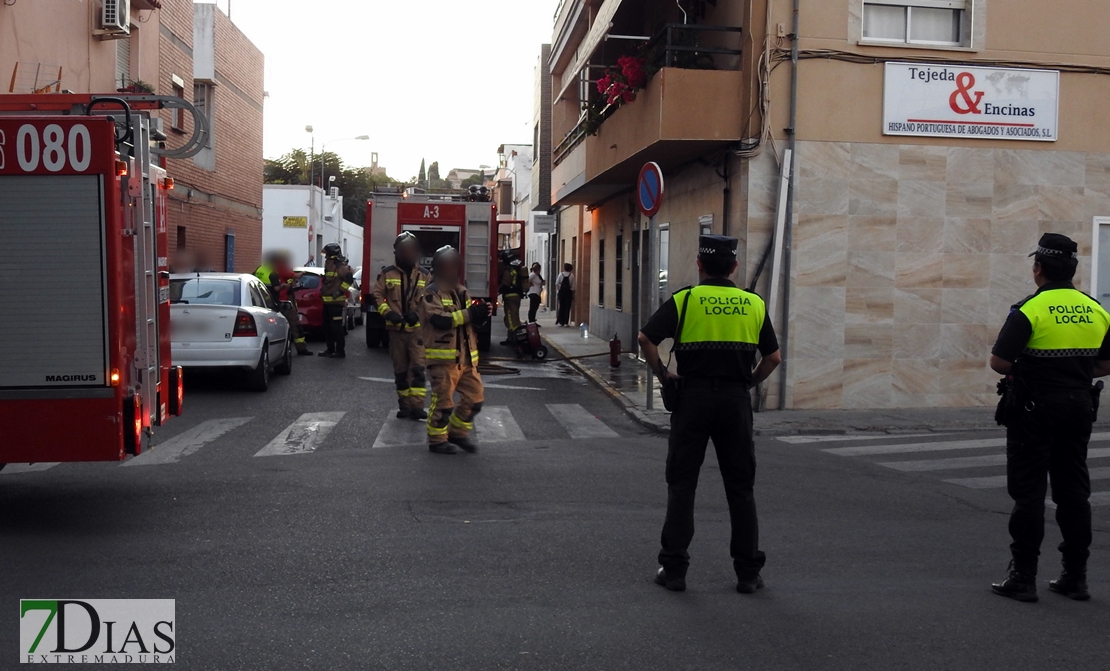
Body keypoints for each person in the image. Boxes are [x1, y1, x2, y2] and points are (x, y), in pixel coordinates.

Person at [638, 235, 782, 594]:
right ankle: (747, 573)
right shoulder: (753, 304)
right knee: (740, 488)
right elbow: (773, 358)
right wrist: (746, 384)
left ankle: (674, 570)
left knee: (683, 484)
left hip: (693, 400)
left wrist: (663, 374)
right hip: (734, 402)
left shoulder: (686, 300)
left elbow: (646, 339)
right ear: (734, 267)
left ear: (699, 266)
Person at [989, 233, 1110, 603]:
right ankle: (1075, 577)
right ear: (1073, 270)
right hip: (1078, 406)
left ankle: (1023, 577)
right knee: (1074, 493)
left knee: (1029, 494)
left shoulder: (1030, 309)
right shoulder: (1095, 309)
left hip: (1034, 408)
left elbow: (999, 362)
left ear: (1038, 268)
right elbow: (1105, 364)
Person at [421, 245, 492, 455]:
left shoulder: (462, 291)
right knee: (443, 403)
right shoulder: (431, 292)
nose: (451, 270)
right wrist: (470, 313)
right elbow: (439, 320)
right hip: (443, 361)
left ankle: (458, 434)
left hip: (466, 360)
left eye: (454, 265)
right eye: (447, 266)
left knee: (475, 399)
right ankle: (436, 440)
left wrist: (481, 315)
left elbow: (468, 323)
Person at [373, 232, 431, 421]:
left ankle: (417, 407)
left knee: (417, 369)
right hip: (395, 331)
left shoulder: (425, 275)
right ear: (397, 252)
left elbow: (431, 300)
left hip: (417, 332)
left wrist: (418, 314)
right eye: (404, 250)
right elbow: (377, 296)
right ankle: (404, 406)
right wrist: (388, 312)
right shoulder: (386, 273)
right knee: (400, 370)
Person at [254, 250, 311, 356]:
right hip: (282, 301)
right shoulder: (279, 269)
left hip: (265, 302)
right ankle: (301, 348)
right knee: (295, 324)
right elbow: (294, 277)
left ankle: (276, 349)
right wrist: (303, 272)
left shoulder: (260, 269)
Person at [319, 243, 354, 359]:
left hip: (336, 302)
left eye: (327, 253)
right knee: (326, 326)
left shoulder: (339, 265)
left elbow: (348, 278)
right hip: (327, 302)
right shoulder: (329, 264)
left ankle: (340, 351)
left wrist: (339, 291)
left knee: (336, 328)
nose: (325, 256)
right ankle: (330, 349)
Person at [499, 256, 525, 344]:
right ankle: (513, 338)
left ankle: (513, 339)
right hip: (517, 296)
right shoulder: (516, 270)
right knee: (515, 316)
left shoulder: (508, 271)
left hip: (510, 296)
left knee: (510, 317)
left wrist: (497, 291)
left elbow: (505, 283)